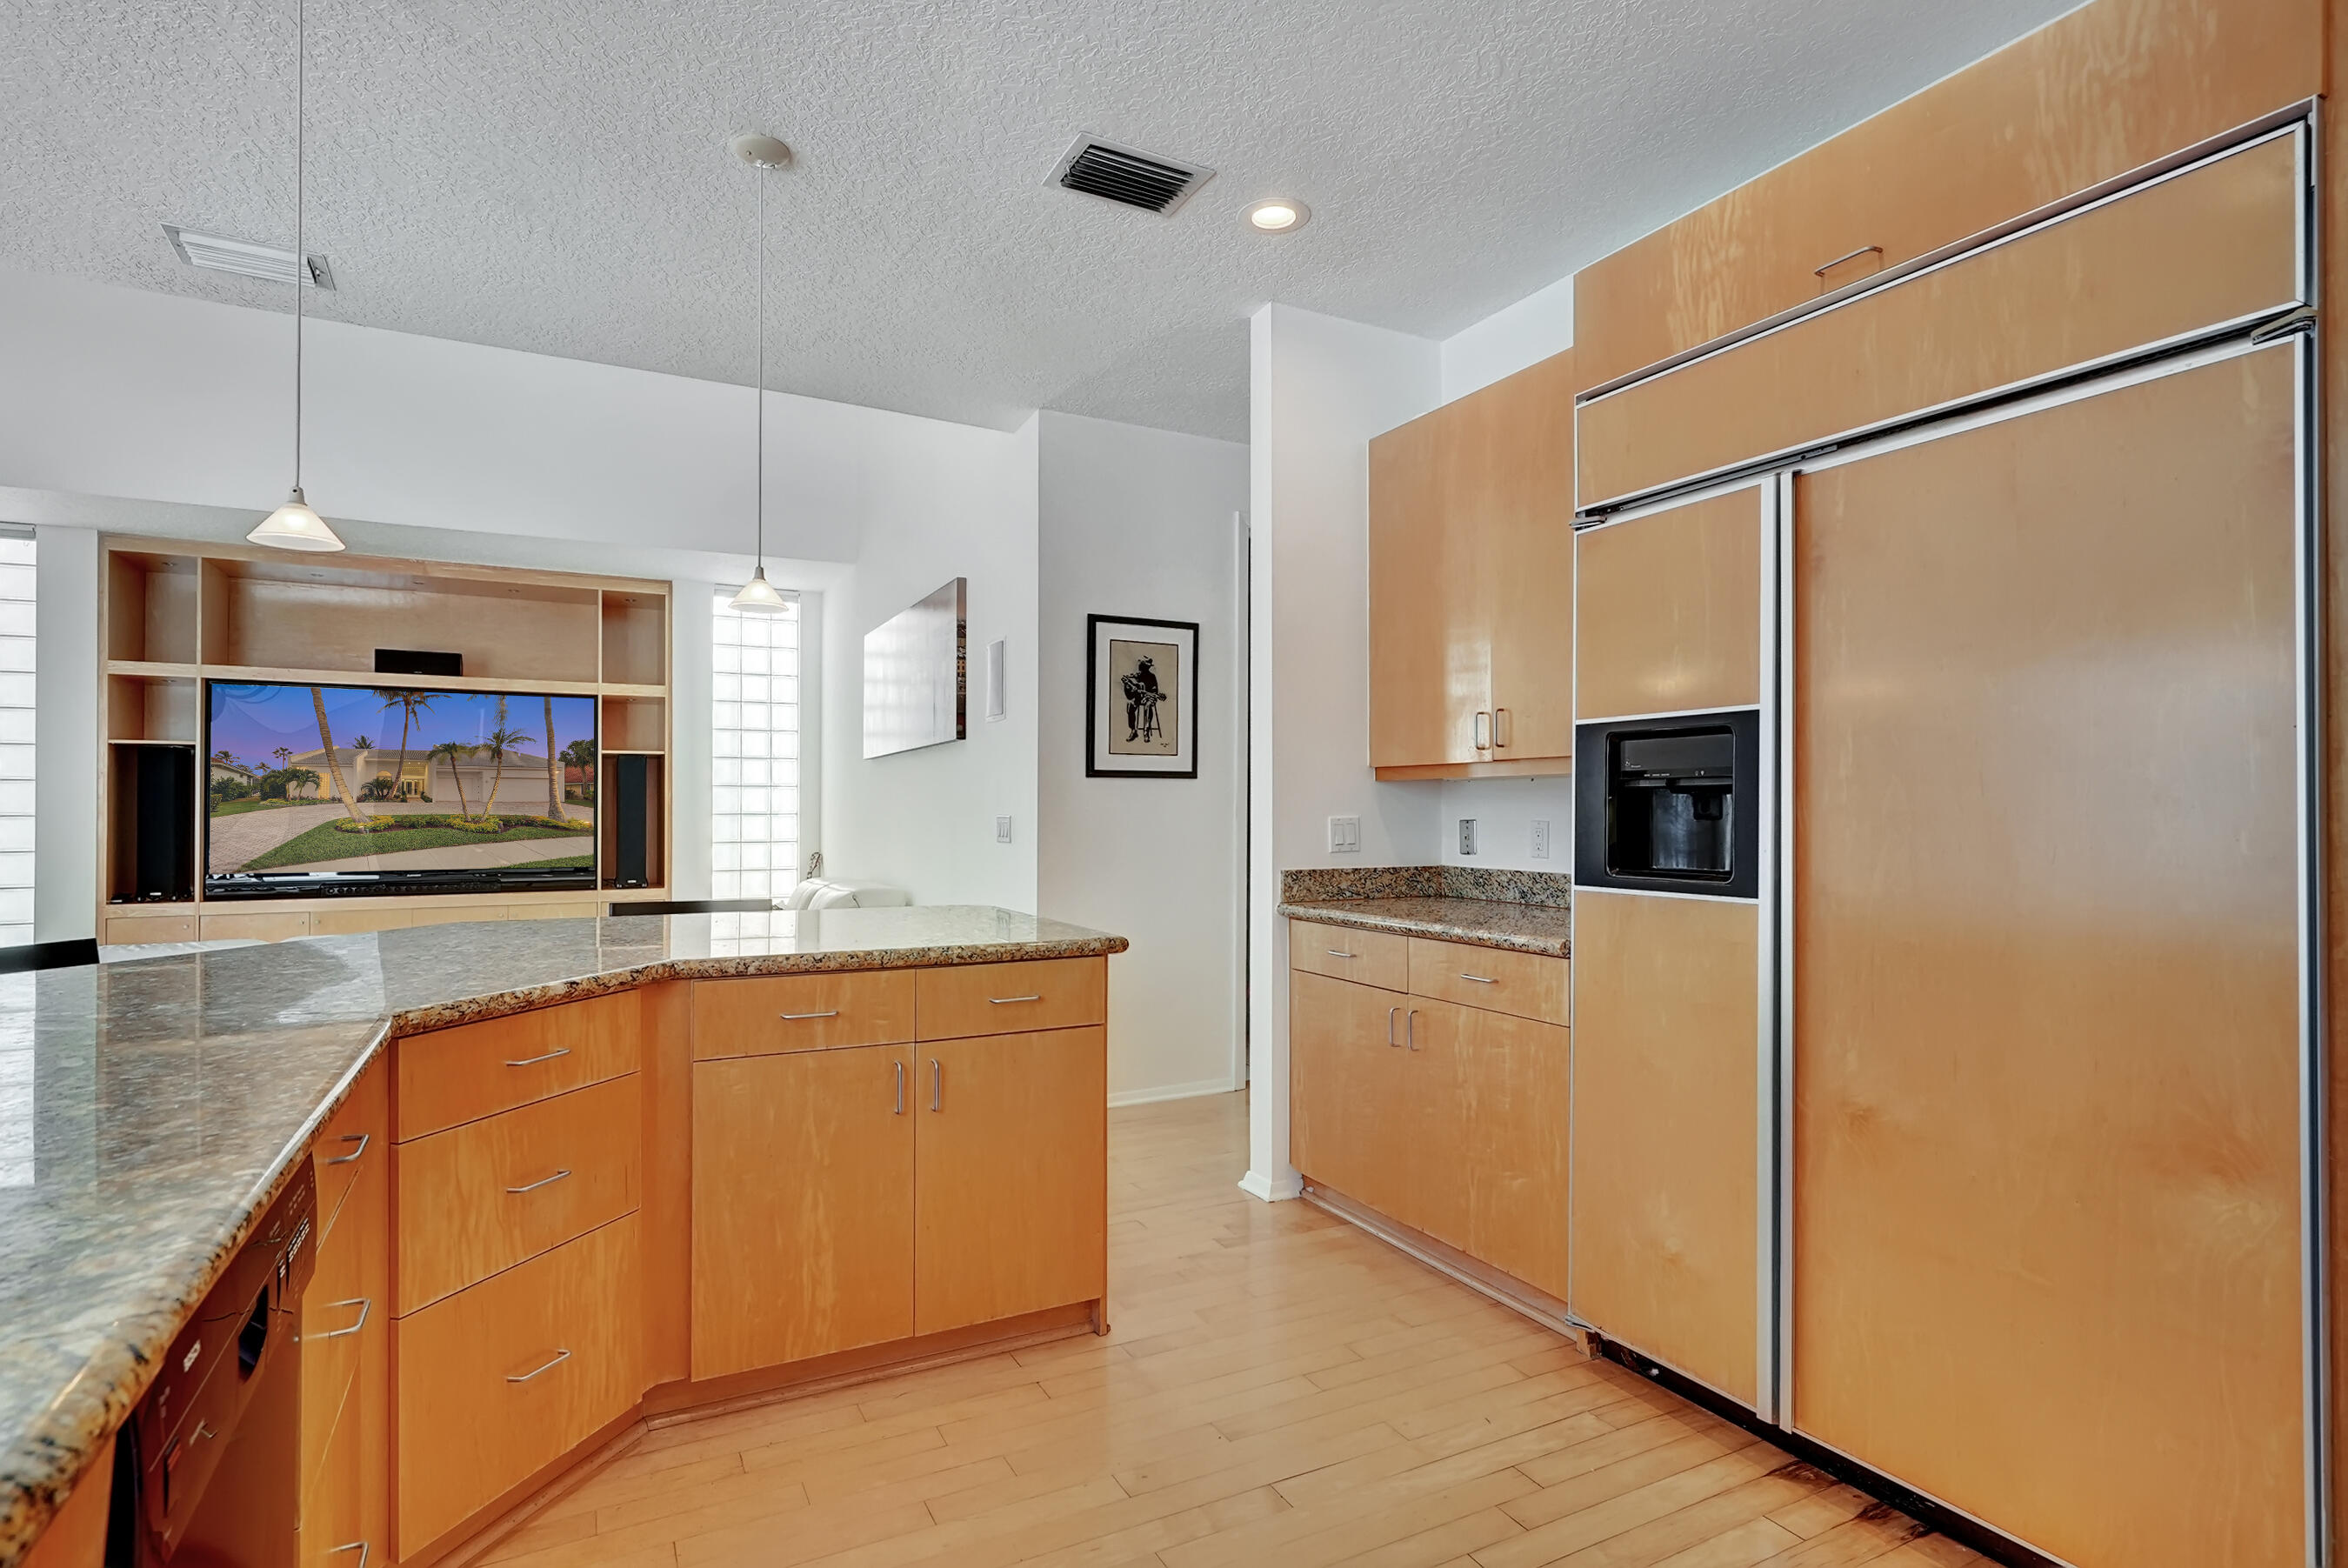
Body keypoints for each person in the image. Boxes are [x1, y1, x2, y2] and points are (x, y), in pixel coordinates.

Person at [1120, 656, 1164, 744]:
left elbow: (1154, 692)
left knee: (1147, 706)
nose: (1141, 668)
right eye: (1142, 666)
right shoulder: (1137, 676)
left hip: (1150, 698)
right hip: (1138, 697)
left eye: (1144, 666)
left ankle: (1146, 731)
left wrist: (1147, 697)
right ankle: (1133, 730)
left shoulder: (1152, 677)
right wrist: (1128, 685)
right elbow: (1127, 681)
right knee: (1130, 705)